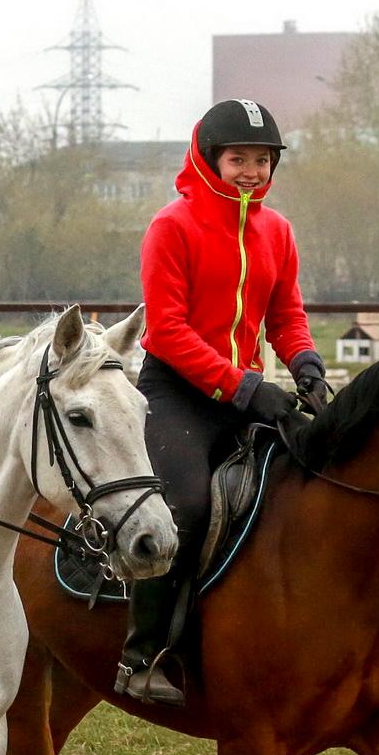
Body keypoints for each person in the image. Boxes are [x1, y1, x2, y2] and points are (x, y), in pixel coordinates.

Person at [121, 98, 332, 704]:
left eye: (262, 160)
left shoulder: (279, 232)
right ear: (209, 159)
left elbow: (287, 317)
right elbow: (166, 330)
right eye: (238, 158)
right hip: (178, 394)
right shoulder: (172, 227)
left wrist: (307, 368)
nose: (250, 171)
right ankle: (143, 655)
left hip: (249, 395)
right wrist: (244, 388)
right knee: (181, 504)